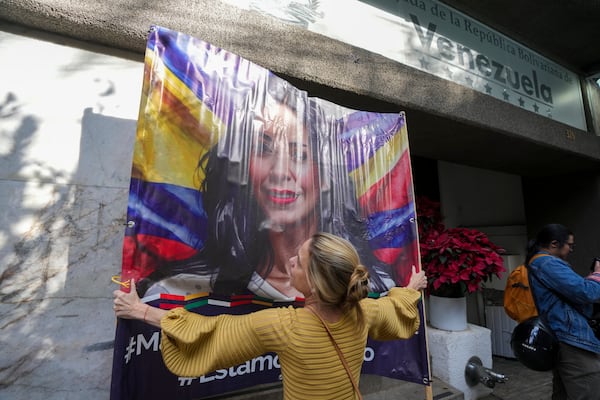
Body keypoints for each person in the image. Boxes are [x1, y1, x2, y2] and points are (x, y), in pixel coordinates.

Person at [136, 74, 408, 300]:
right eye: (263, 150)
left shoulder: (375, 288)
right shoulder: (181, 288)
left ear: (325, 175)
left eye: (299, 155)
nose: (279, 172)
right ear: (240, 169)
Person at [114, 232, 427, 399]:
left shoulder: (284, 326)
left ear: (316, 284)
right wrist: (413, 286)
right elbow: (396, 306)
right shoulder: (364, 311)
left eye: (299, 262)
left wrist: (138, 309)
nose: (290, 260)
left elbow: (209, 333)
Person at [526, 223, 600, 399]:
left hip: (562, 335)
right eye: (570, 245)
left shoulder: (541, 263)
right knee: (588, 389)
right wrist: (598, 274)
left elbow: (574, 293)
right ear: (554, 244)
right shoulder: (546, 262)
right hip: (571, 338)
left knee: (564, 393)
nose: (571, 250)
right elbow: (586, 292)